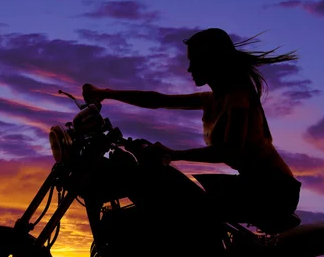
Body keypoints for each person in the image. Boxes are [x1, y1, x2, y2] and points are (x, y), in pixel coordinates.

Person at [82, 27, 302, 223]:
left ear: (211, 60)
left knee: (184, 215)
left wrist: (173, 154)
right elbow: (158, 100)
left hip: (274, 191)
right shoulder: (212, 99)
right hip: (251, 184)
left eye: (193, 61)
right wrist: (106, 94)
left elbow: (229, 149)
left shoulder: (238, 97)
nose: (189, 69)